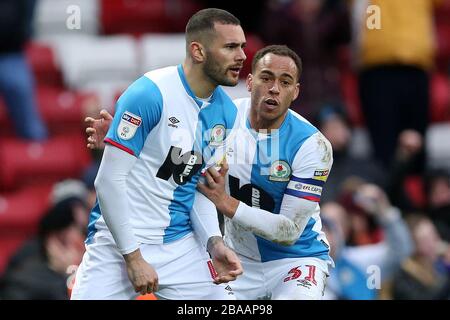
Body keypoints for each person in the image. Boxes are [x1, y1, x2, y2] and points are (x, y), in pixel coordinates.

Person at [88, 45, 334, 300]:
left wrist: (226, 204)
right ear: (249, 82)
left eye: (285, 82)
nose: (274, 88)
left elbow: (290, 230)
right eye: (266, 77)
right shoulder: (223, 119)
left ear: (295, 92)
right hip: (236, 259)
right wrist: (134, 142)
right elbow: (175, 161)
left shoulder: (312, 145)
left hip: (295, 261)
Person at [71, 8, 246, 300]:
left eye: (241, 46)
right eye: (230, 47)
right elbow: (108, 182)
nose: (241, 55)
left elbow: (199, 189)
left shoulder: (226, 113)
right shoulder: (149, 94)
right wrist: (133, 258)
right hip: (118, 244)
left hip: (179, 245)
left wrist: (214, 242)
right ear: (198, 51)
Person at [0, 0, 48, 141]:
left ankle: (39, 154)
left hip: (12, 54)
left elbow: (25, 24)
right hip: (12, 53)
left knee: (31, 124)